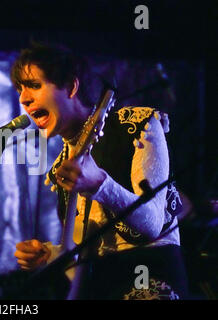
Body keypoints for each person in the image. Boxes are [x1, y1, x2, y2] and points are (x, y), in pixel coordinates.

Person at [12, 43, 188, 300]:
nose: (23, 99)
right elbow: (83, 261)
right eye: (20, 89)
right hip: (101, 285)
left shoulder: (137, 124)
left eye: (34, 85)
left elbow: (152, 224)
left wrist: (100, 185)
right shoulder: (60, 168)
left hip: (149, 278)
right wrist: (49, 255)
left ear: (71, 87)